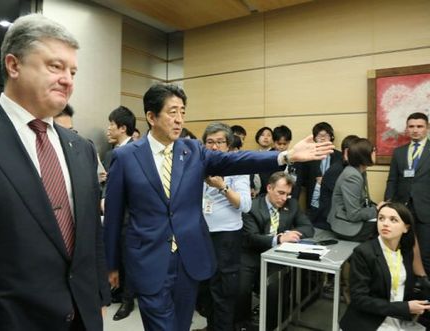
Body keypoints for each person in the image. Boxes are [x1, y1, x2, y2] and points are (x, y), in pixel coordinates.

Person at [103, 83, 333, 331]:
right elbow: (114, 215)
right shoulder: (126, 157)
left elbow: (236, 160)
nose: (179, 120)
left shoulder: (192, 150)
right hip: (148, 258)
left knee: (181, 323)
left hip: (187, 259)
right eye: (172, 112)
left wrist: (284, 156)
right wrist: (111, 263)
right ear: (151, 116)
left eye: (183, 112)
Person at [0, 13, 110, 330]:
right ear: (14, 65)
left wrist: (96, 300)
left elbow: (90, 240)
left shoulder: (80, 148)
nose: (68, 79)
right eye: (55, 66)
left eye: (72, 71)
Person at [235, 171, 314, 329]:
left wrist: (287, 235)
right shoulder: (252, 207)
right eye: (281, 193)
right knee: (241, 289)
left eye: (288, 194)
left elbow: (308, 228)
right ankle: (241, 324)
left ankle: (272, 326)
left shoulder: (291, 205)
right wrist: (277, 239)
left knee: (275, 289)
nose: (284, 198)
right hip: (251, 254)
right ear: (269, 188)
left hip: (275, 257)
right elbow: (251, 237)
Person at [194, 123, 251, 331]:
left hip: (226, 236)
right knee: (205, 286)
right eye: (210, 142)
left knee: (224, 290)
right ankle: (211, 326)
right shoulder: (198, 166)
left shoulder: (238, 168)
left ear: (228, 145)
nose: (215, 147)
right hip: (201, 233)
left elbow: (245, 205)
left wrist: (222, 187)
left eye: (220, 142)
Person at [340, 202, 430, 331]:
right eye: (381, 218)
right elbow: (359, 300)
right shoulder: (364, 252)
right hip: (370, 321)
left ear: (406, 228)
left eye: (393, 220)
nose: (385, 223)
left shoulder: (406, 251)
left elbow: (405, 289)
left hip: (398, 318)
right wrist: (405, 308)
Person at [100, 106, 136, 321]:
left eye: (111, 125)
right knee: (118, 257)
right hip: (117, 216)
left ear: (122, 128)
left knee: (128, 260)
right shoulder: (113, 153)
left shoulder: (136, 150)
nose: (108, 130)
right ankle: (120, 292)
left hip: (131, 217)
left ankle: (128, 301)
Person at [385, 112, 430, 275]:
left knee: (425, 254)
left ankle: (425, 294)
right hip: (402, 210)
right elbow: (392, 180)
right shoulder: (399, 152)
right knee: (401, 250)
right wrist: (388, 204)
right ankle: (406, 291)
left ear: (427, 128)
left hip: (426, 211)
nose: (415, 130)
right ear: (406, 129)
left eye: (420, 126)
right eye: (411, 126)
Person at [327, 138, 378, 242]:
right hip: (347, 227)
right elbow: (353, 215)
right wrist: (377, 210)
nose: (375, 153)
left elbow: (364, 201)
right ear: (364, 155)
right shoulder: (352, 176)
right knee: (389, 226)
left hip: (349, 222)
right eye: (373, 151)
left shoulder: (360, 171)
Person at [311, 134, 359, 238]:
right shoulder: (337, 170)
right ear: (347, 152)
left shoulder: (353, 169)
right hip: (328, 224)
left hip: (342, 219)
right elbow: (350, 201)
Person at [297, 122, 342, 219]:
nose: (322, 138)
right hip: (313, 197)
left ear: (331, 137)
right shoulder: (307, 156)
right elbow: (302, 179)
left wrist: (326, 181)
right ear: (314, 139)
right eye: (319, 135)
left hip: (332, 198)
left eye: (326, 135)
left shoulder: (339, 156)